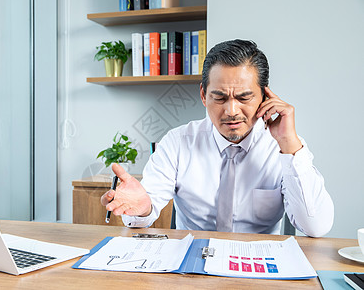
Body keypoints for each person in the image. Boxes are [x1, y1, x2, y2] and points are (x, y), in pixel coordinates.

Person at [101, 39, 334, 237]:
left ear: (264, 96)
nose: (232, 110)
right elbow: (143, 212)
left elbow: (316, 227)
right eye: (220, 98)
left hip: (257, 268)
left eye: (244, 97)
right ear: (204, 95)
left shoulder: (284, 147)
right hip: (192, 268)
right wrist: (142, 210)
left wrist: (289, 145)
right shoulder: (177, 142)